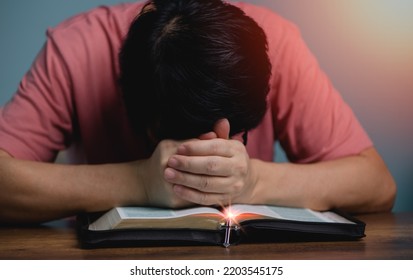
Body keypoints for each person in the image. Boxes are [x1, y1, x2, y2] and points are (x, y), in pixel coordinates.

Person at [0, 0, 396, 224]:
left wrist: (253, 181)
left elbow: (377, 185)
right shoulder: (78, 50)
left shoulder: (277, 44)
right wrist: (139, 181)